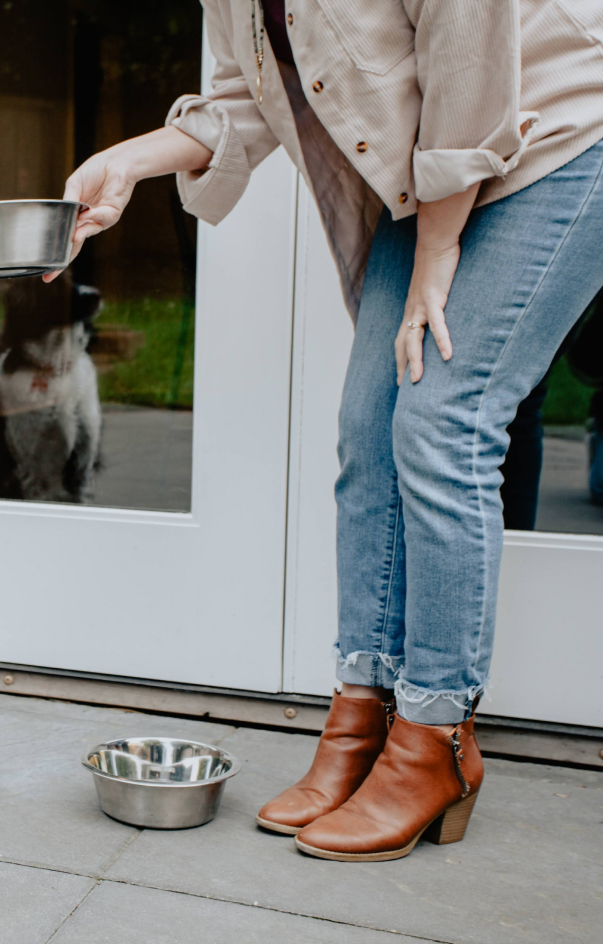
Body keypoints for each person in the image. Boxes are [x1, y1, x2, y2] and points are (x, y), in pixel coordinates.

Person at [53, 1, 603, 861]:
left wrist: (436, 251)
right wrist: (127, 161)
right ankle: (364, 711)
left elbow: (468, 58)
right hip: (434, 169)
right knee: (367, 428)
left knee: (441, 421)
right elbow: (248, 94)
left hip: (558, 133)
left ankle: (435, 740)